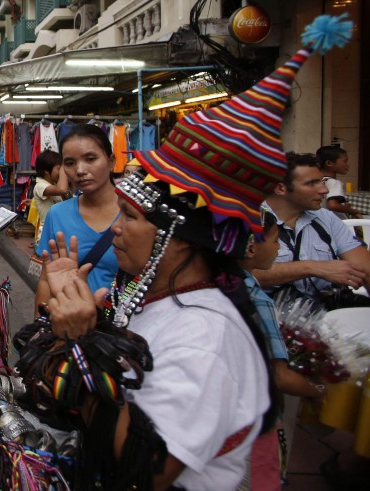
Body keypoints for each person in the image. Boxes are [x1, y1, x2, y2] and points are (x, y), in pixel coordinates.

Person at [28, 24, 355, 486]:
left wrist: (84, 344)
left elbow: (146, 471)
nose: (116, 228)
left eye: (130, 217)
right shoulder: (168, 300)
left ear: (176, 236)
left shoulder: (204, 335)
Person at [239, 210, 327, 488]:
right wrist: (317, 391)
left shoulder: (219, 287)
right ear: (252, 247)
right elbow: (278, 376)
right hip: (256, 422)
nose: (278, 248)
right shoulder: (257, 301)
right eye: (275, 242)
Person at [256, 152, 370, 306]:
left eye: (322, 182)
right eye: (312, 183)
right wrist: (313, 268)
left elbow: (364, 268)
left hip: (328, 317)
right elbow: (242, 275)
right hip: (269, 318)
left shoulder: (326, 218)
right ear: (281, 188)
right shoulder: (250, 219)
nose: (324, 190)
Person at [34, 124, 120, 308]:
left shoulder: (135, 215)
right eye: (70, 163)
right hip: (68, 327)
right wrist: (38, 331)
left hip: (122, 331)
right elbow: (45, 280)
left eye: (90, 158)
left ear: (111, 161)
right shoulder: (57, 214)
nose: (80, 170)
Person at [32, 150, 69, 245]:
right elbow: (62, 190)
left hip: (58, 232)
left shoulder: (54, 185)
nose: (61, 171)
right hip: (48, 234)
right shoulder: (40, 186)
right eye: (59, 168)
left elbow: (68, 198)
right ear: (46, 171)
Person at [317, 145, 362, 219]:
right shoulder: (334, 183)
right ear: (329, 163)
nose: (347, 165)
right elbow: (333, 205)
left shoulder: (317, 181)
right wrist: (352, 210)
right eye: (345, 161)